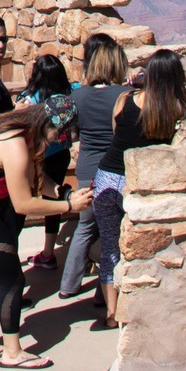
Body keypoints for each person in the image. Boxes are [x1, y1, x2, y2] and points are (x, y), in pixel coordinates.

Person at [92, 48, 186, 329]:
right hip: (136, 184)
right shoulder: (174, 108)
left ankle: (111, 312)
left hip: (105, 177)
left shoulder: (124, 99)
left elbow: (117, 133)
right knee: (137, 249)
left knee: (110, 247)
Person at [0, 105, 92, 364]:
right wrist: (68, 207)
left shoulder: (20, 132)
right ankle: (12, 352)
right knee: (12, 281)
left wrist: (66, 193)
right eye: (57, 137)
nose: (56, 143)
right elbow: (24, 204)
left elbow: (36, 180)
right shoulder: (16, 145)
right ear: (48, 127)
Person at [59, 35, 126, 302]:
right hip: (116, 169)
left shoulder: (77, 96)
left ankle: (68, 285)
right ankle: (105, 292)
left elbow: (69, 132)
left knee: (85, 226)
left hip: (86, 168)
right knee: (113, 232)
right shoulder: (123, 95)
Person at [22, 52, 77, 268]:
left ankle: (43, 254)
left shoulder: (32, 98)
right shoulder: (70, 93)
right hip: (61, 153)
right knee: (54, 200)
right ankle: (48, 251)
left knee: (32, 198)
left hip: (39, 156)